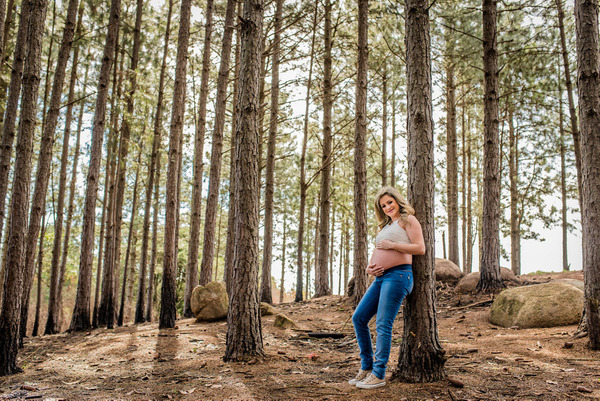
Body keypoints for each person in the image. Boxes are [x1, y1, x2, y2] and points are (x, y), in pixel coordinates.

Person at [349, 186, 425, 389]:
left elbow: (420, 248)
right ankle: (367, 367)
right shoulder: (385, 226)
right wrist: (369, 268)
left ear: (397, 201)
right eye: (383, 205)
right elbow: (378, 251)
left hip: (399, 276)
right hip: (380, 279)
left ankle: (379, 373)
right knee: (359, 318)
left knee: (383, 323)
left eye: (390, 202)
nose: (387, 207)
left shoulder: (408, 220)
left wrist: (393, 246)